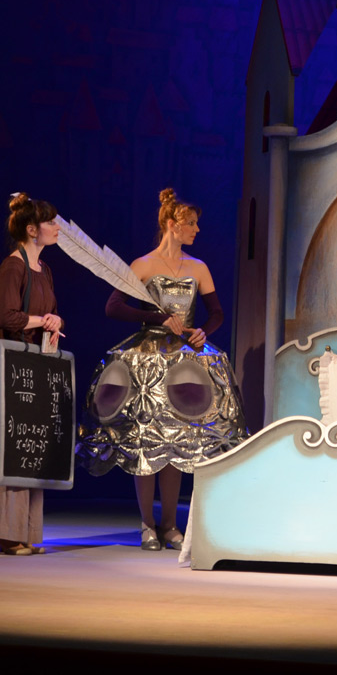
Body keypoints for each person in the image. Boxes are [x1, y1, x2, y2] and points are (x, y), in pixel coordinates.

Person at [79, 188, 247, 551]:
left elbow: (216, 312)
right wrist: (156, 318)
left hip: (185, 361)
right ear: (172, 224)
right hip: (149, 359)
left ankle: (170, 524)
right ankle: (147, 523)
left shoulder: (198, 267)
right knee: (147, 442)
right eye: (192, 224)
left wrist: (204, 331)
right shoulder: (143, 265)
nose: (197, 230)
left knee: (176, 441)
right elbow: (113, 306)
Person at [0, 192, 63, 556]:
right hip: (5, 365)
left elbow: (46, 313)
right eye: (51, 222)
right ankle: (1, 530)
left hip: (32, 366)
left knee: (27, 448)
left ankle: (22, 529)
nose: (57, 228)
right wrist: (41, 320)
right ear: (32, 229)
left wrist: (55, 321)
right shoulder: (13, 266)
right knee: (3, 448)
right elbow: (6, 316)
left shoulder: (44, 269)